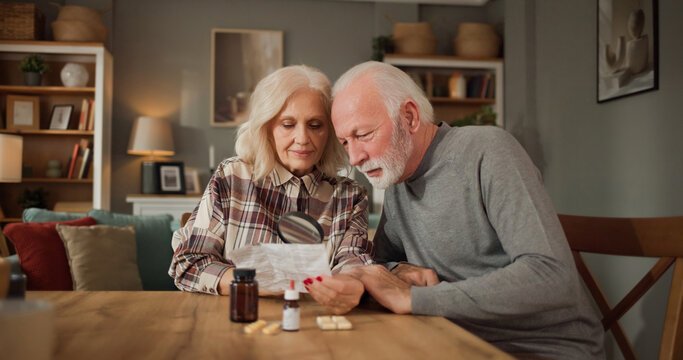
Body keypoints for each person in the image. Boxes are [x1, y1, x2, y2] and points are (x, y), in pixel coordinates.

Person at [314, 61, 605, 359]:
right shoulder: (398, 179)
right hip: (453, 342)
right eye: (345, 142)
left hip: (541, 351)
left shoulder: (488, 150)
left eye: (363, 135)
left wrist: (415, 298)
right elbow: (381, 264)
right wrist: (397, 271)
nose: (355, 157)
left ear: (410, 117)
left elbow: (552, 276)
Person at [169, 65, 368, 314]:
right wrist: (254, 282)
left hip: (314, 330)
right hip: (234, 325)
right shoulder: (231, 179)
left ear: (330, 131)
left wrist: (352, 282)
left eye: (315, 125)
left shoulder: (349, 197)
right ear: (267, 128)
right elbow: (188, 263)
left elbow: (354, 265)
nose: (303, 138)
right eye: (287, 124)